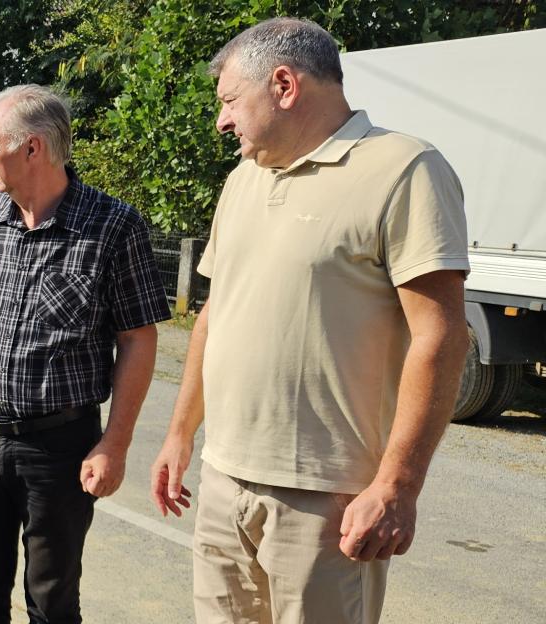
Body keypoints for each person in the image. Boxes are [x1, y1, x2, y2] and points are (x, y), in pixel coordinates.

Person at [147, 17, 468, 624]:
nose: (222, 121)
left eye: (229, 101)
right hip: (222, 480)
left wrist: (398, 487)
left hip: (328, 498)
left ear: (285, 85)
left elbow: (441, 335)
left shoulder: (405, 168)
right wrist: (180, 434)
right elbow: (218, 313)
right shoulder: (242, 179)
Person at [0, 84, 168, 623]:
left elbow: (138, 338)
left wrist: (116, 443)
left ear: (32, 148)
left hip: (60, 450)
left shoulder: (113, 226)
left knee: (53, 603)